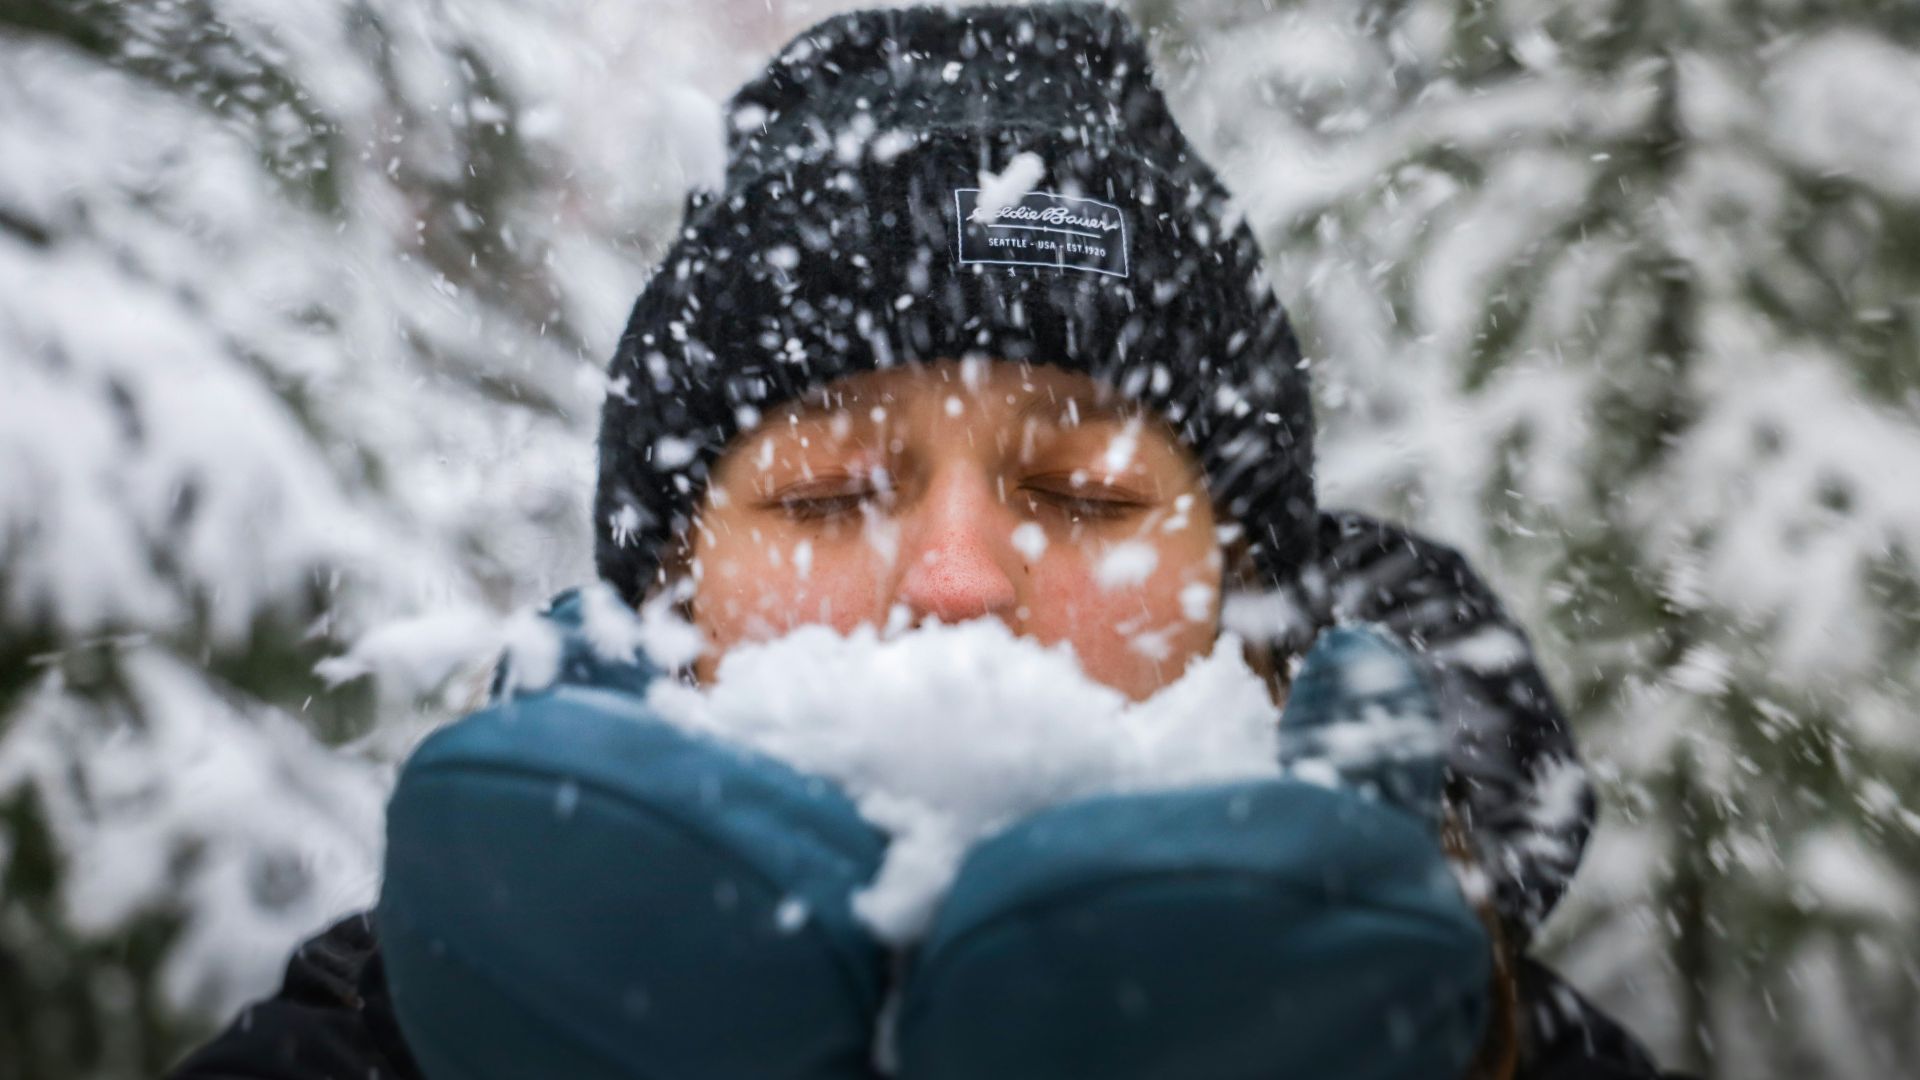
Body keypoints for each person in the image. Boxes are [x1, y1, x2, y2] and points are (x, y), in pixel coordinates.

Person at [169, 4, 1688, 1078]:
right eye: (828, 497)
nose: (956, 584)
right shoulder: (409, 1021)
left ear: (1249, 613)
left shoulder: (1444, 1034)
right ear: (670, 598)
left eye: (1087, 498)